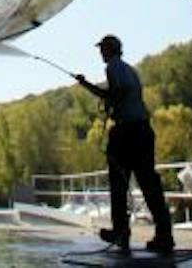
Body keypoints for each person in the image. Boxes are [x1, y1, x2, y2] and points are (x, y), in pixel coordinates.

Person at [74, 34, 176, 253]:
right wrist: (87, 85)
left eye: (102, 49)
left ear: (110, 50)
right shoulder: (129, 69)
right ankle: (164, 234)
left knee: (119, 184)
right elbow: (119, 92)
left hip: (127, 133)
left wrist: (98, 93)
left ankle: (121, 233)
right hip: (143, 130)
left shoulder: (113, 67)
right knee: (149, 184)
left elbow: (116, 93)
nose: (101, 52)